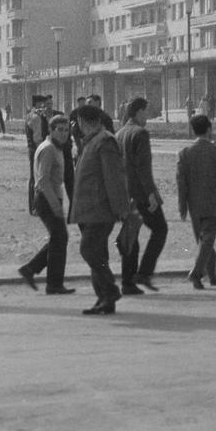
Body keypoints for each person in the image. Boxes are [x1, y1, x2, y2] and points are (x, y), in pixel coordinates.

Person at [69, 104, 132, 316]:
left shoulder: (104, 141)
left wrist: (121, 208)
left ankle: (110, 290)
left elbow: (114, 178)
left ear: (81, 121)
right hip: (88, 210)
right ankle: (104, 299)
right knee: (98, 254)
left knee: (88, 250)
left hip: (99, 209)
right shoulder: (90, 141)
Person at [176, 114, 216, 289]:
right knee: (207, 240)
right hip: (214, 204)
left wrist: (182, 208)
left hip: (194, 206)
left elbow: (181, 184)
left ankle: (211, 275)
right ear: (209, 129)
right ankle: (196, 273)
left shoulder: (184, 153)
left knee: (204, 241)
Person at [19, 113, 75, 295]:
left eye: (66, 130)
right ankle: (52, 283)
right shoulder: (49, 149)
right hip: (46, 199)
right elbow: (43, 180)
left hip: (50, 197)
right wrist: (55, 205)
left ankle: (33, 270)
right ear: (51, 130)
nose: (64, 133)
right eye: (60, 130)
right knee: (60, 238)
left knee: (59, 239)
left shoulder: (56, 147)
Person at [115, 97, 167, 294]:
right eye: (146, 111)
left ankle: (128, 282)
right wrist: (151, 195)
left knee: (131, 236)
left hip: (125, 195)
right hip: (141, 195)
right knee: (160, 229)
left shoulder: (120, 133)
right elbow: (143, 168)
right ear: (138, 112)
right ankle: (144, 272)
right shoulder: (140, 133)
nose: (148, 115)